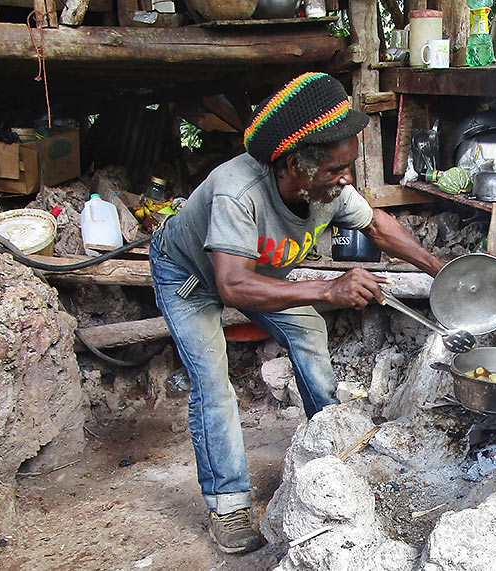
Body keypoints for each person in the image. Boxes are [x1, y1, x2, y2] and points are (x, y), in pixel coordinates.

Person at [148, 72, 445, 555]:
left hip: (252, 269)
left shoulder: (325, 187)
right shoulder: (236, 191)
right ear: (293, 166)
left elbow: (379, 227)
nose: (346, 179)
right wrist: (328, 287)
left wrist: (441, 270)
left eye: (349, 166)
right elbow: (232, 284)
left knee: (307, 331)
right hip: (192, 277)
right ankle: (229, 503)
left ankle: (332, 448)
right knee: (212, 381)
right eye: (335, 170)